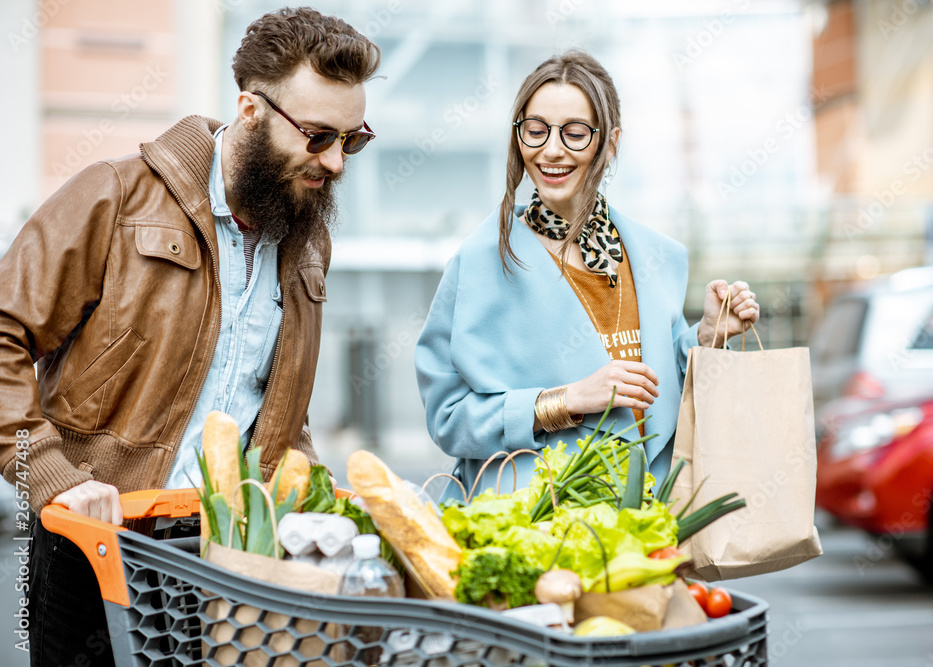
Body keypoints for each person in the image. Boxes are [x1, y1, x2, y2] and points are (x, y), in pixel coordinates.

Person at [0, 8, 380, 666]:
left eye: (354, 140)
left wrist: (309, 485)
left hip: (235, 557)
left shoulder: (306, 235)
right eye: (319, 136)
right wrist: (54, 478)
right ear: (251, 111)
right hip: (94, 547)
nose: (337, 162)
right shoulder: (114, 198)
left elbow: (271, 393)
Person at [415, 50, 759, 498]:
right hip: (531, 526)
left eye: (575, 133)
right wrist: (565, 400)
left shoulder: (656, 256)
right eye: (535, 130)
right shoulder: (478, 263)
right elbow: (448, 418)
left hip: (651, 523)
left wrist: (708, 335)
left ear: (610, 142)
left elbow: (659, 389)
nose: (551, 150)